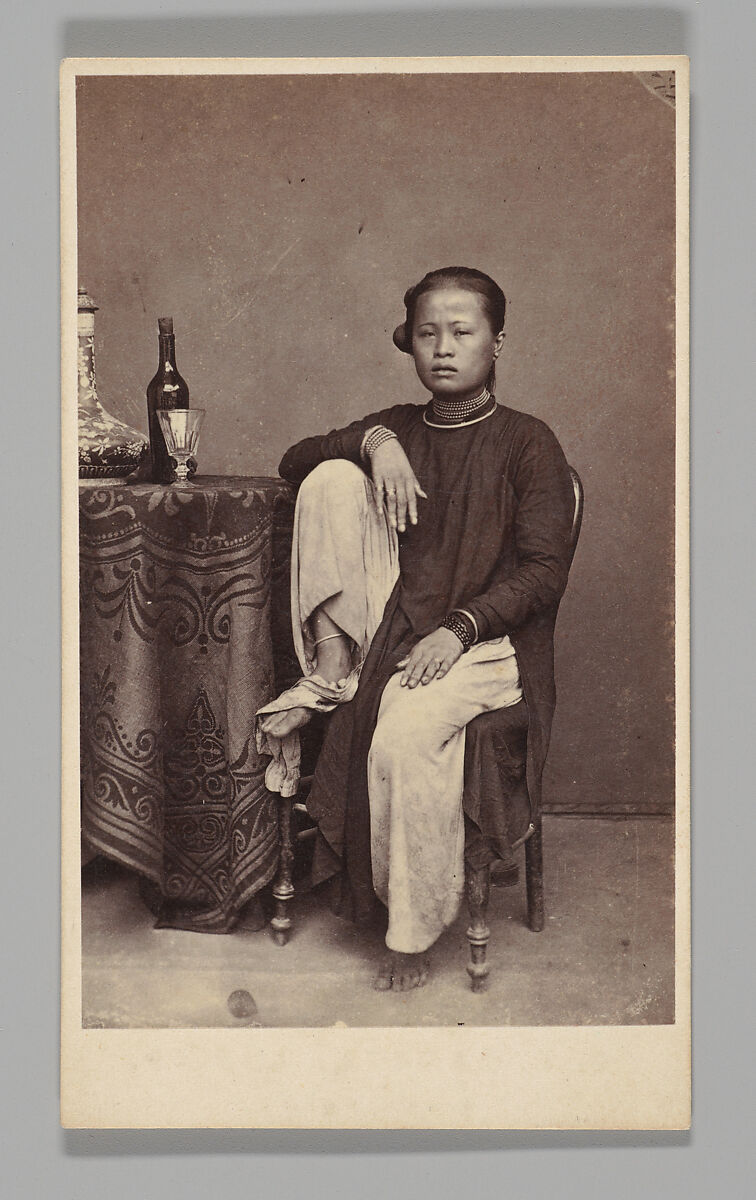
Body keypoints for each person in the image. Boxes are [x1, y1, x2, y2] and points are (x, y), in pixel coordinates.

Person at [257, 266, 576, 992]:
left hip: (486, 643)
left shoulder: (529, 442)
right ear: (408, 342)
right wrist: (372, 442)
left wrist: (460, 628)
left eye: (463, 332)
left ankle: (412, 932)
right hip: (392, 624)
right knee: (329, 476)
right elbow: (293, 461)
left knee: (402, 736)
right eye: (428, 332)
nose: (444, 347)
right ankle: (335, 663)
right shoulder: (399, 425)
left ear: (498, 341)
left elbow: (542, 573)